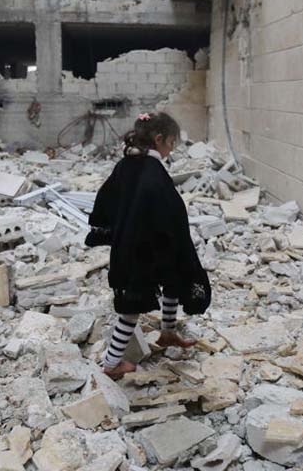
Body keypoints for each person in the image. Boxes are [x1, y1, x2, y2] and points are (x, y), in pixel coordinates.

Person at [85, 112, 211, 379]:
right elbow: (168, 209)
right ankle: (111, 365)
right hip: (143, 249)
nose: (172, 149)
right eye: (171, 143)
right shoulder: (152, 173)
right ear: (159, 139)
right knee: (131, 309)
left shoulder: (126, 165)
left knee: (171, 280)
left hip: (133, 244)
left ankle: (167, 333)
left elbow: (106, 199)